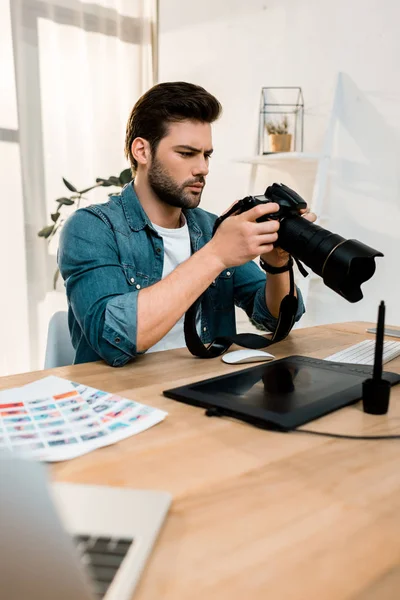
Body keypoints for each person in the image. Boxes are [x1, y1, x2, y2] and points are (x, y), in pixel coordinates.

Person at [58, 81, 316, 367]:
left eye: (206, 154)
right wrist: (216, 255)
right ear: (142, 151)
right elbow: (112, 339)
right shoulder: (91, 228)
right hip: (122, 402)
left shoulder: (211, 228)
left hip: (205, 390)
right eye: (186, 153)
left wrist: (277, 264)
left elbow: (273, 318)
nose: (203, 168)